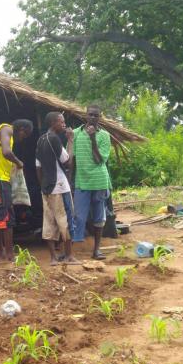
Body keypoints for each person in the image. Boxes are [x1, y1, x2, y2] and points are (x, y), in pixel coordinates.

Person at [0, 119, 33, 261]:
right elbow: (6, 152)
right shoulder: (7, 130)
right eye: (25, 135)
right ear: (21, 129)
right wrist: (18, 162)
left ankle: (1, 254)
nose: (23, 138)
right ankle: (9, 255)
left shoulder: (1, 131)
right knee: (6, 217)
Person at [35, 112, 79, 266]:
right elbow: (68, 163)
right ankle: (69, 256)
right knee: (66, 220)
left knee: (49, 222)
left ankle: (53, 258)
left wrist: (44, 186)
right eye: (62, 122)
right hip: (60, 187)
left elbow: (38, 167)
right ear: (53, 123)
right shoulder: (54, 139)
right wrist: (71, 141)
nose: (64, 125)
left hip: (46, 189)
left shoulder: (40, 140)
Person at [72, 105, 112, 260]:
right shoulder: (75, 134)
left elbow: (99, 160)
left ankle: (96, 250)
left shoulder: (104, 136)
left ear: (100, 117)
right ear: (85, 115)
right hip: (82, 181)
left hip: (100, 182)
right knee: (79, 216)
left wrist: (93, 138)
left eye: (96, 115)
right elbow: (72, 160)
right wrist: (69, 181)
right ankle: (73, 251)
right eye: (91, 115)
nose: (93, 118)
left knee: (99, 218)